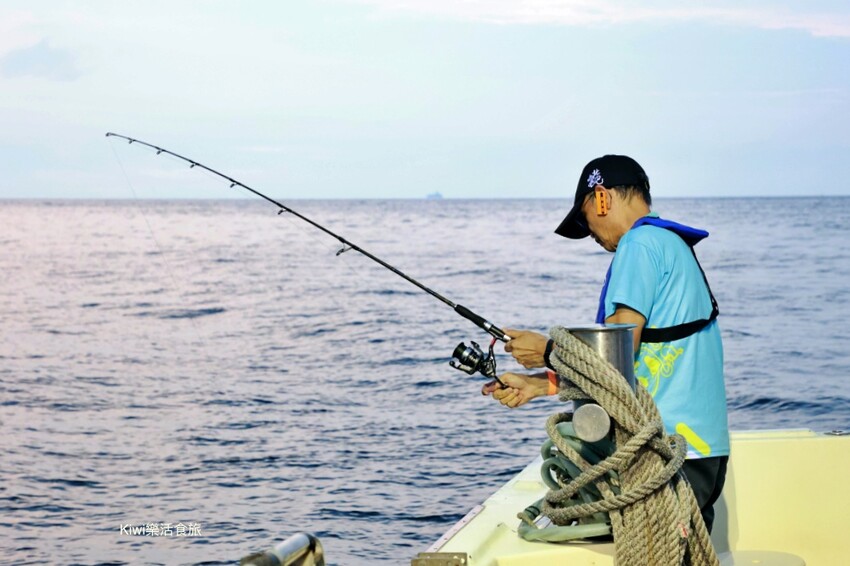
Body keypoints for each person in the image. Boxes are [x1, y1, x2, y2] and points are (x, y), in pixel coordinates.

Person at [483, 154, 729, 533]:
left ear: (601, 199)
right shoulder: (669, 243)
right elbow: (642, 361)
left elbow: (618, 351)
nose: (592, 235)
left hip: (665, 450)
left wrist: (547, 351)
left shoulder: (639, 244)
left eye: (586, 220)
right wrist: (541, 384)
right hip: (701, 448)